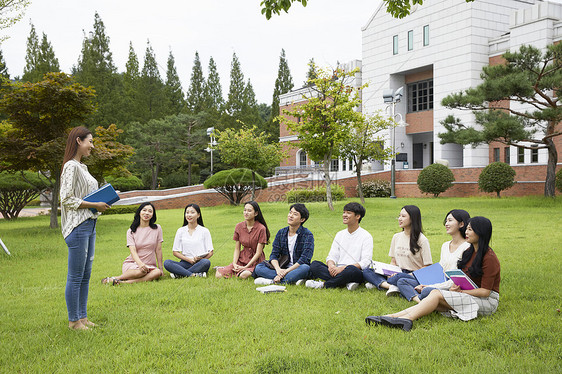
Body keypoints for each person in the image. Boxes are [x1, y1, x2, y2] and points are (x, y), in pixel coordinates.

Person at [366, 216, 500, 332]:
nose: (466, 232)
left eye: (470, 229)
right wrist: (455, 288)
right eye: (467, 228)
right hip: (468, 293)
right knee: (432, 298)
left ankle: (404, 319)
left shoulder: (489, 257)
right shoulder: (469, 252)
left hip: (487, 301)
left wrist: (461, 293)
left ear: (480, 232)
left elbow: (485, 292)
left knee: (434, 294)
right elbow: (464, 279)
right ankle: (393, 317)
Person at [60, 126, 110, 330]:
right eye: (90, 141)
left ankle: (82, 317)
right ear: (79, 141)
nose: (92, 145)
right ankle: (74, 321)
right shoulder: (70, 166)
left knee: (86, 274)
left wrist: (101, 203)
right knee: (76, 275)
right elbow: (66, 198)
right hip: (78, 227)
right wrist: (95, 205)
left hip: (90, 224)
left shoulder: (84, 168)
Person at [396, 209, 471, 302]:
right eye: (446, 221)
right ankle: (419, 299)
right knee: (401, 281)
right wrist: (425, 280)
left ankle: (418, 296)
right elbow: (440, 268)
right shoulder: (445, 245)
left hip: (451, 286)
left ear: (461, 224)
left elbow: (457, 281)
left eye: (450, 220)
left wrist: (429, 286)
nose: (446, 224)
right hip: (438, 281)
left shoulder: (467, 247)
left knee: (426, 291)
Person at [363, 205, 432, 295]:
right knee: (367, 271)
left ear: (413, 218)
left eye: (403, 216)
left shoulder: (422, 240)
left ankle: (381, 283)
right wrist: (389, 272)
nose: (399, 219)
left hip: (412, 274)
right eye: (399, 216)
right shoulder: (396, 237)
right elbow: (393, 261)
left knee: (399, 278)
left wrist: (410, 275)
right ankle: (391, 286)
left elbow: (428, 266)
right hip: (397, 271)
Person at [305, 202, 373, 291]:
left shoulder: (366, 236)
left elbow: (365, 262)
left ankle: (324, 284)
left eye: (348, 213)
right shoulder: (340, 234)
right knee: (314, 265)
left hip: (354, 271)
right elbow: (332, 255)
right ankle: (345, 282)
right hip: (337, 270)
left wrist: (342, 269)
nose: (344, 215)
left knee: (351, 270)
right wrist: (331, 266)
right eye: (344, 212)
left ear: (357, 216)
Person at [101, 203, 164, 285]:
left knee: (157, 272)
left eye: (150, 211)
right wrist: (140, 264)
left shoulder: (157, 228)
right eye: (144, 210)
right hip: (133, 263)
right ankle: (117, 278)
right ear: (139, 212)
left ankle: (125, 283)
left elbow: (158, 249)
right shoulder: (131, 231)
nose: (147, 213)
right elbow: (133, 250)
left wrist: (161, 268)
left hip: (149, 265)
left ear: (153, 214)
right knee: (142, 272)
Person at [253, 203, 314, 285]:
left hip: (297, 268)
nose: (290, 216)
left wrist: (285, 272)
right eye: (290, 212)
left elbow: (304, 259)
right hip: (282, 267)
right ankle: (290, 280)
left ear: (302, 219)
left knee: (306, 268)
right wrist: (278, 270)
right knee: (259, 267)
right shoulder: (281, 233)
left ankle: (272, 281)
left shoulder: (307, 235)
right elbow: (274, 255)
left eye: (295, 214)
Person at [216, 201, 270, 279]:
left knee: (243, 275)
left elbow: (258, 253)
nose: (246, 213)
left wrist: (246, 267)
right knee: (218, 275)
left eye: (249, 211)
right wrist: (234, 263)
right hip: (242, 258)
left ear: (256, 213)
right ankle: (228, 268)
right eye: (245, 210)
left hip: (256, 260)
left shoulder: (261, 228)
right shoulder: (239, 226)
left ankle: (249, 271)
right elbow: (237, 249)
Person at [164, 203, 213, 278]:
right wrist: (190, 260)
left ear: (198, 215)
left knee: (206, 262)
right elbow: (175, 252)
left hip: (199, 262)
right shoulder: (180, 231)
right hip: (185, 262)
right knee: (167, 263)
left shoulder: (204, 231)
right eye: (187, 212)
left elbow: (210, 252)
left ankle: (180, 274)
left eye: (192, 212)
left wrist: (201, 259)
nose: (189, 215)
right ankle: (193, 275)